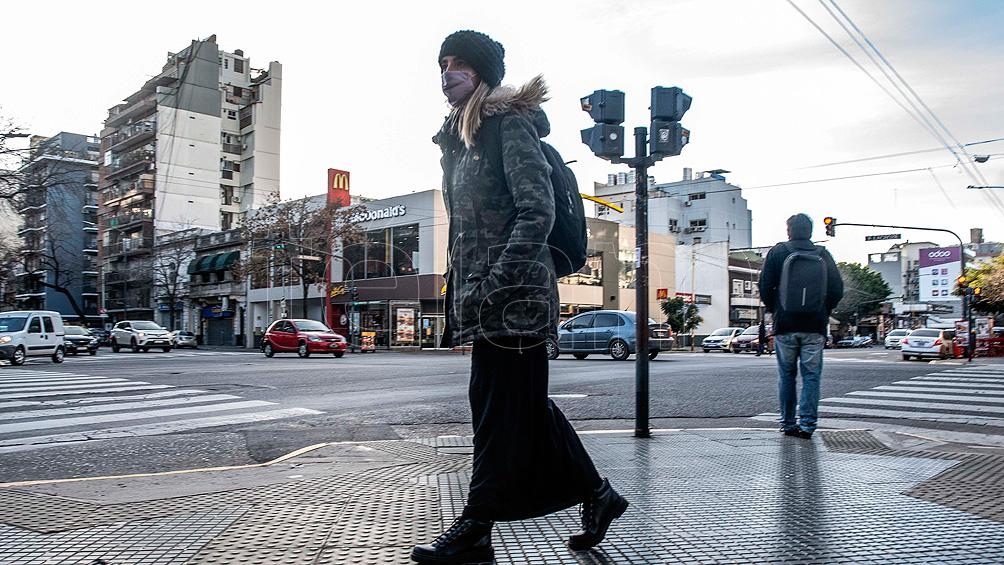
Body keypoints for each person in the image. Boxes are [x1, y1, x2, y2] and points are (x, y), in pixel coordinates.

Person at [411, 30, 628, 564]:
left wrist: (492, 284)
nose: (448, 72)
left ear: (482, 72)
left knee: (500, 412)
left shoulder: (508, 127)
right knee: (514, 407)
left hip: (516, 302)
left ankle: (477, 528)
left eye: (459, 63)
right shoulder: (460, 142)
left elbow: (537, 213)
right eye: (443, 63)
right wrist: (457, 287)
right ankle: (599, 496)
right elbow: (467, 228)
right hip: (488, 300)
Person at [758, 214, 843, 440]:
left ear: (789, 230)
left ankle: (788, 424)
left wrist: (776, 308)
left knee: (786, 376)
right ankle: (807, 425)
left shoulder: (777, 252)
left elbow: (765, 286)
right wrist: (824, 310)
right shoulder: (823, 255)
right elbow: (837, 289)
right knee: (811, 376)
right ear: (811, 231)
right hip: (814, 325)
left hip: (785, 325)